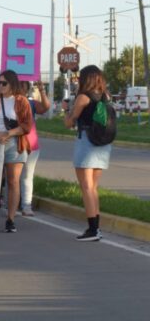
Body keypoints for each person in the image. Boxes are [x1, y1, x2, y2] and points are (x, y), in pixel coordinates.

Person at [0, 70, 33, 234]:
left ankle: (10, 219)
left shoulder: (21, 101)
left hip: (15, 143)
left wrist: (9, 133)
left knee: (13, 181)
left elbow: (27, 125)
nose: (0, 86)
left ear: (12, 84)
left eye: (4, 83)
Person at [64, 65, 112, 242]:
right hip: (103, 142)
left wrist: (66, 109)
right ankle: (96, 227)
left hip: (86, 141)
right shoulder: (105, 96)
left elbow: (69, 123)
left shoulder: (83, 97)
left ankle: (93, 229)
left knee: (86, 187)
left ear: (85, 79)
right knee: (93, 187)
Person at [19, 80, 50, 216]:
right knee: (12, 177)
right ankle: (9, 205)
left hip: (30, 144)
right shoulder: (6, 102)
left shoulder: (31, 103)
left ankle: (26, 205)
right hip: (13, 144)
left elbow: (45, 107)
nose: (21, 90)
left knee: (27, 176)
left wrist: (42, 90)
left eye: (24, 88)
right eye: (18, 87)